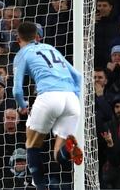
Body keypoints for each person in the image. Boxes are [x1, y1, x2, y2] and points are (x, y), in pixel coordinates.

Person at [13, 21, 83, 190]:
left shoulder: (22, 54)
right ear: (36, 36)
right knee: (57, 154)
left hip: (49, 96)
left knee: (31, 143)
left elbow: (16, 90)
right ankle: (69, 150)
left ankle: (40, 185)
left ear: (18, 39)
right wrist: (77, 99)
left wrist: (22, 105)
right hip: (72, 100)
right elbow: (78, 76)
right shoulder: (50, 48)